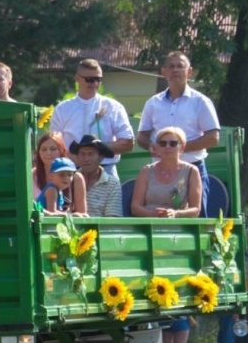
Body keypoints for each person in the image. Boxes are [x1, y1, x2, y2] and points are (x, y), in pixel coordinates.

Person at [138, 51, 220, 187]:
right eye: (171, 66)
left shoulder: (200, 102)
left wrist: (177, 149)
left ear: (189, 71)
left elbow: (213, 137)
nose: (175, 70)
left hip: (192, 168)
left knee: (195, 209)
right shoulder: (152, 103)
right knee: (159, 208)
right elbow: (141, 137)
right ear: (164, 71)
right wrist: (152, 146)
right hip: (159, 170)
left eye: (180, 66)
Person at [49, 58, 134, 174]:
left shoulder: (113, 107)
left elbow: (127, 142)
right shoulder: (63, 109)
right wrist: (79, 158)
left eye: (98, 79)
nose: (94, 84)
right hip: (70, 170)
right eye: (89, 80)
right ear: (77, 78)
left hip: (106, 169)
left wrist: (97, 151)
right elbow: (53, 143)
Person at [130, 125, 202, 218]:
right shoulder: (146, 171)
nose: (167, 147)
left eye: (173, 143)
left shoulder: (192, 171)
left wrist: (175, 214)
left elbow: (196, 209)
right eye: (163, 143)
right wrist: (152, 214)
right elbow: (135, 208)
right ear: (157, 148)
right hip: (149, 223)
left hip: (179, 226)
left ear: (182, 148)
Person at [33, 133, 87, 215]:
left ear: (62, 151)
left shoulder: (77, 178)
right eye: (44, 149)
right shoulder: (31, 176)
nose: (48, 153)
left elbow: (82, 214)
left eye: (53, 149)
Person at [73, 134, 122, 217]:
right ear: (78, 157)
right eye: (82, 154)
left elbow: (113, 220)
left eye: (91, 154)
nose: (86, 159)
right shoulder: (69, 180)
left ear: (101, 157)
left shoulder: (112, 184)